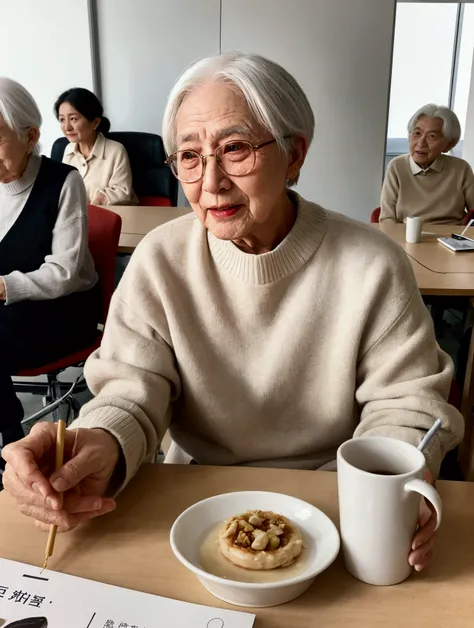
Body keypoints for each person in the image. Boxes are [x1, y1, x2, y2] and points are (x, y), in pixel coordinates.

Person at [2, 54, 464, 572]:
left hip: (336, 502)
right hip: (193, 499)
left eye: (235, 148)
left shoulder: (371, 263)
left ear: (294, 155)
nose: (211, 181)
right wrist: (99, 443)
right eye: (190, 156)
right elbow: (131, 391)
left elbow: (406, 405)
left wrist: (389, 487)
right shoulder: (160, 258)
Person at [0, 78, 100, 460]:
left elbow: (65, 272)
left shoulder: (64, 181)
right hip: (10, 309)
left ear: (31, 135)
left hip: (60, 312)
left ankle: (9, 443)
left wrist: (3, 287)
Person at [380, 104, 474, 224]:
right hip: (408, 237)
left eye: (432, 136)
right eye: (417, 133)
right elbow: (387, 218)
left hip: (451, 238)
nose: (421, 143)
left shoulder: (461, 169)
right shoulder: (397, 167)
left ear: (449, 144)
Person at [55, 87, 137, 206]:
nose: (67, 127)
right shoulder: (68, 150)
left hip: (115, 216)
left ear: (95, 122)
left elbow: (122, 192)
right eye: (62, 119)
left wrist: (88, 202)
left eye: (73, 119)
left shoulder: (116, 151)